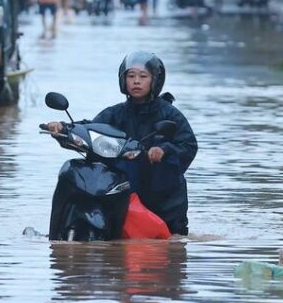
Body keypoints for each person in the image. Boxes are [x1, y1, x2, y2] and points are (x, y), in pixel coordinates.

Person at [46, 51, 197, 235]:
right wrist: (63, 128)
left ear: (155, 80)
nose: (136, 81)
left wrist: (164, 150)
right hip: (122, 186)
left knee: (170, 246)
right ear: (123, 79)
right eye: (131, 76)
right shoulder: (116, 113)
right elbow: (93, 128)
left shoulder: (170, 114)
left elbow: (188, 145)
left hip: (161, 192)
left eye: (143, 76)